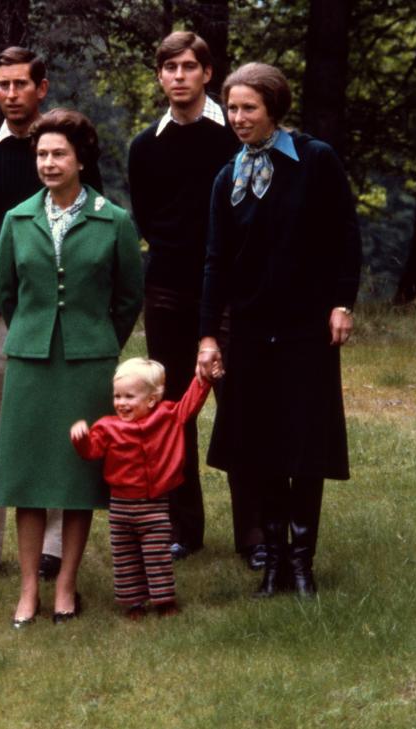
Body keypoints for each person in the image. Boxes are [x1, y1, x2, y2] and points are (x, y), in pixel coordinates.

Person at [196, 63, 361, 598]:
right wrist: (208, 335)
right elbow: (216, 262)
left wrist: (341, 302)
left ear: (273, 108)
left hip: (305, 328)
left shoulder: (315, 160)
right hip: (249, 330)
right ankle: (272, 562)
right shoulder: (227, 177)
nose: (239, 118)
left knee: (304, 445)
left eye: (249, 108)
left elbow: (345, 237)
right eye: (233, 108)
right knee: (260, 446)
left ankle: (301, 561)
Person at [0, 47, 101, 588]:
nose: (11, 94)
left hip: (54, 317)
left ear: (42, 89)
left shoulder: (67, 153)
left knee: (56, 430)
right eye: (2, 85)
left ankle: (54, 546)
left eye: (20, 85)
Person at [0, 109, 144, 626]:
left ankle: (66, 585)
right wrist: (33, 334)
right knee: (30, 477)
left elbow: (128, 298)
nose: (49, 163)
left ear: (81, 159)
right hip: (31, 362)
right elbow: (7, 293)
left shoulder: (114, 220)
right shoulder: (16, 220)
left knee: (79, 476)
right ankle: (28, 588)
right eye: (41, 155)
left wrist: (98, 342)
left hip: (88, 363)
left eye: (59, 154)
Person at [127, 31, 263, 567]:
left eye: (188, 67)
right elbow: (147, 218)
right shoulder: (145, 146)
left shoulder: (235, 138)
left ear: (208, 72)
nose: (178, 76)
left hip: (231, 293)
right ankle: (183, 527)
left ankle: (253, 533)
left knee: (239, 407)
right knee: (171, 410)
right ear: (159, 76)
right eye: (169, 68)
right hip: (167, 290)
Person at [70, 359, 212, 619]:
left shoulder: (167, 416)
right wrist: (81, 440)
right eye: (117, 396)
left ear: (151, 399)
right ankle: (133, 604)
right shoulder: (107, 427)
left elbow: (189, 405)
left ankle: (164, 601)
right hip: (121, 508)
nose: (121, 402)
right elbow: (92, 451)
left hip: (154, 505)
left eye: (129, 396)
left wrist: (204, 380)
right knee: (125, 558)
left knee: (156, 554)